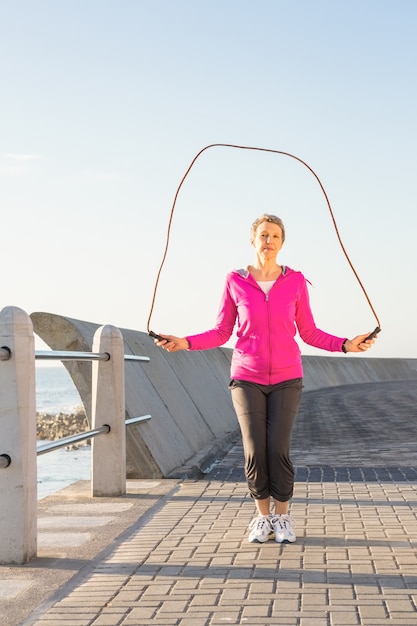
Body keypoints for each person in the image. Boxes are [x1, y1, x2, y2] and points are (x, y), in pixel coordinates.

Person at [153, 214, 377, 544]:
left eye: (274, 235)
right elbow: (221, 331)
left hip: (287, 378)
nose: (268, 241)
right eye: (263, 235)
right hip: (246, 377)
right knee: (255, 450)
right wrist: (185, 342)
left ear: (282, 243)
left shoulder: (296, 282)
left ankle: (282, 517)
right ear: (252, 240)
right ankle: (262, 517)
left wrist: (345, 345)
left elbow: (310, 332)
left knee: (278, 450)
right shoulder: (235, 280)